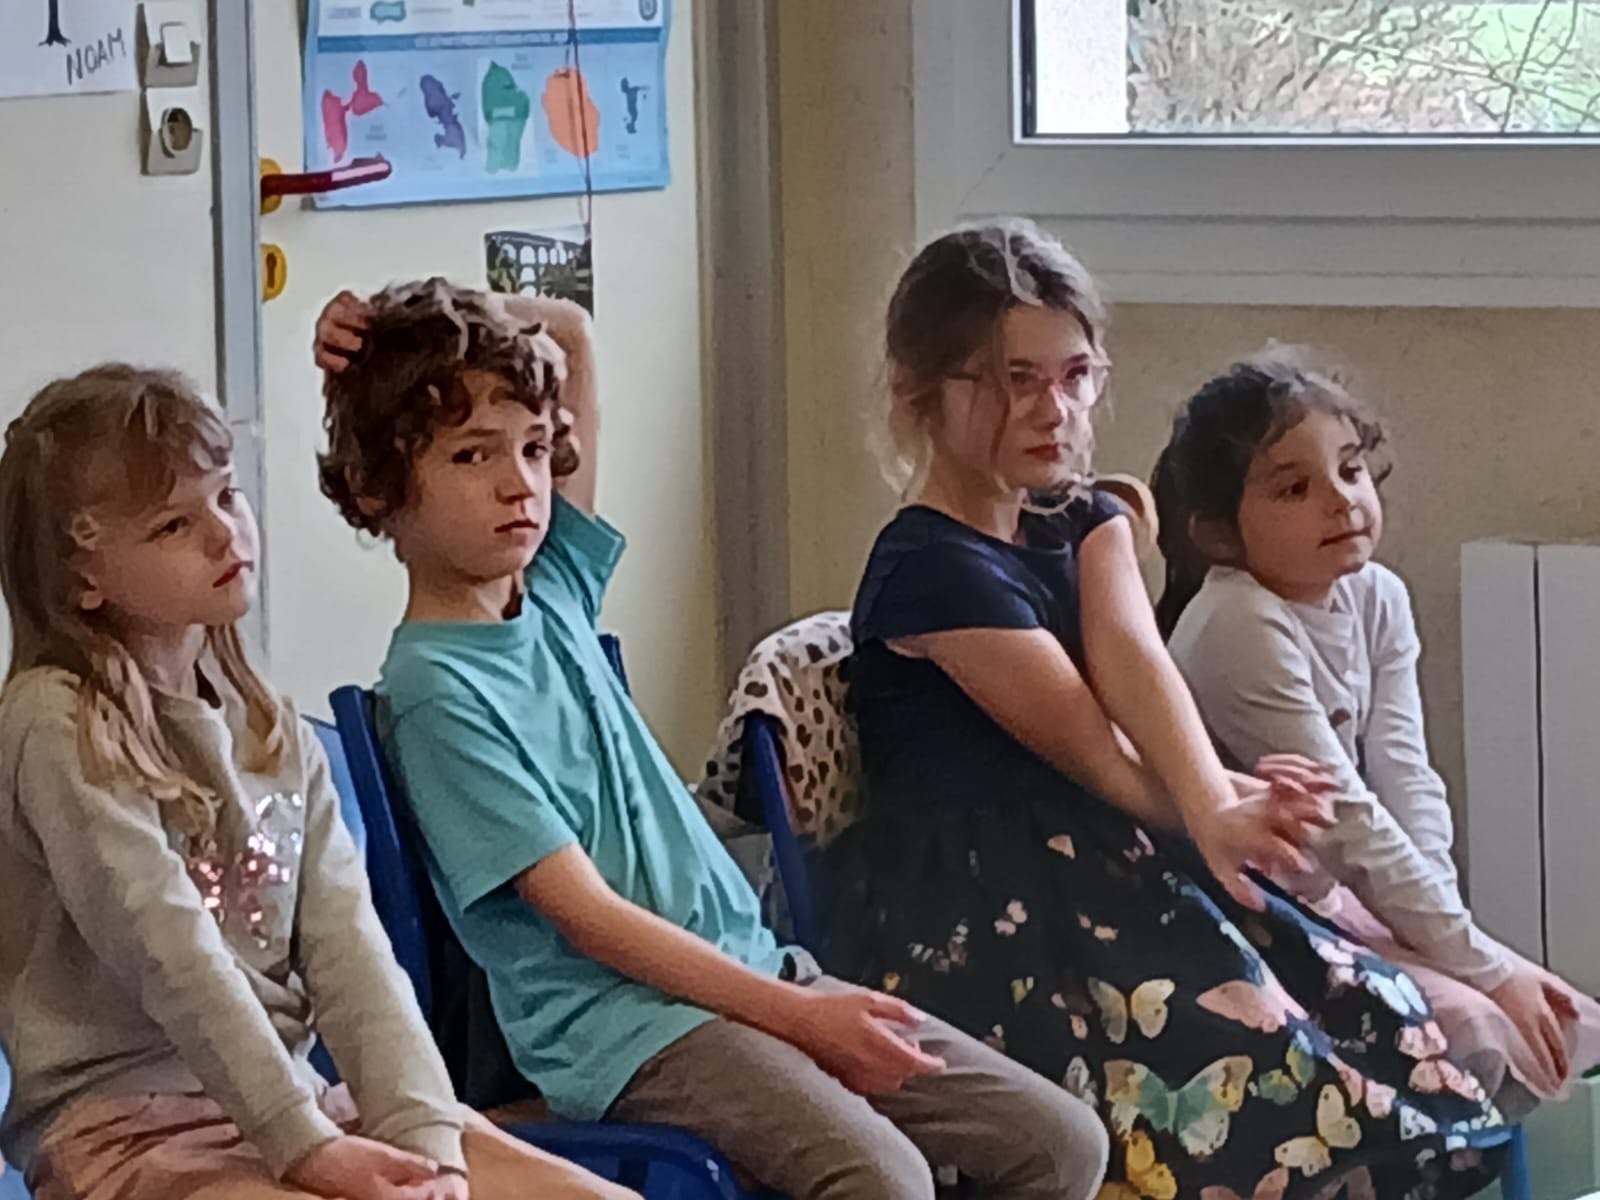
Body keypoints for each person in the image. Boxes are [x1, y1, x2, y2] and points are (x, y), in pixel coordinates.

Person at [310, 279, 1110, 1200]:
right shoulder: (434, 691)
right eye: (471, 454)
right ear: (377, 487)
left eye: (532, 447)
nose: (519, 483)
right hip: (631, 1034)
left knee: (1061, 1145)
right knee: (884, 1181)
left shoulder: (552, 590)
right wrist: (803, 1021)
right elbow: (588, 917)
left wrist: (405, 313)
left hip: (755, 974)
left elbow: (572, 336)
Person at [823, 218, 1507, 1200]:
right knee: (1265, 1077)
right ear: (917, 391)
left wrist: (1222, 799)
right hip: (993, 915)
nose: (1054, 408)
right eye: (1015, 380)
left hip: (1113, 871)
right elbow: (1093, 751)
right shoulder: (929, 568)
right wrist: (1214, 807)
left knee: (1388, 1027)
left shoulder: (1084, 517)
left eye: (1075, 375)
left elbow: (1135, 662)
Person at [0, 366, 633, 1200]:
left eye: (227, 497)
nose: (226, 535)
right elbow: (172, 957)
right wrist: (304, 1148)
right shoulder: (56, 722)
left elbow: (351, 952)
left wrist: (426, 1139)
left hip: (298, 1103)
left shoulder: (271, 729)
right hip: (130, 1127)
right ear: (82, 579)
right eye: (173, 525)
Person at [1155, 350, 1600, 1116]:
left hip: (1334, 892)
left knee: (1559, 1021)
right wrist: (1483, 970)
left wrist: (1454, 940)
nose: (1341, 500)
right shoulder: (1238, 623)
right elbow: (1346, 821)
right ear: (1221, 536)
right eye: (1295, 488)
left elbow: (1406, 776)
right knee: (1469, 1027)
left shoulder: (1376, 595)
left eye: (1351, 469)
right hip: (1243, 910)